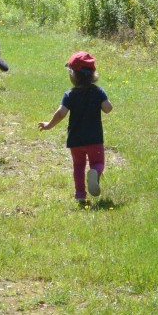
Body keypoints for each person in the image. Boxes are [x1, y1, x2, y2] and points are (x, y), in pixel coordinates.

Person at [38, 51, 113, 202]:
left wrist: (48, 125)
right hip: (94, 139)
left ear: (73, 74)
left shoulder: (69, 94)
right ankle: (94, 172)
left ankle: (80, 195)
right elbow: (107, 108)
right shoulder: (98, 92)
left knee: (78, 166)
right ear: (93, 74)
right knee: (98, 163)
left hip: (76, 140)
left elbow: (61, 113)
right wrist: (103, 101)